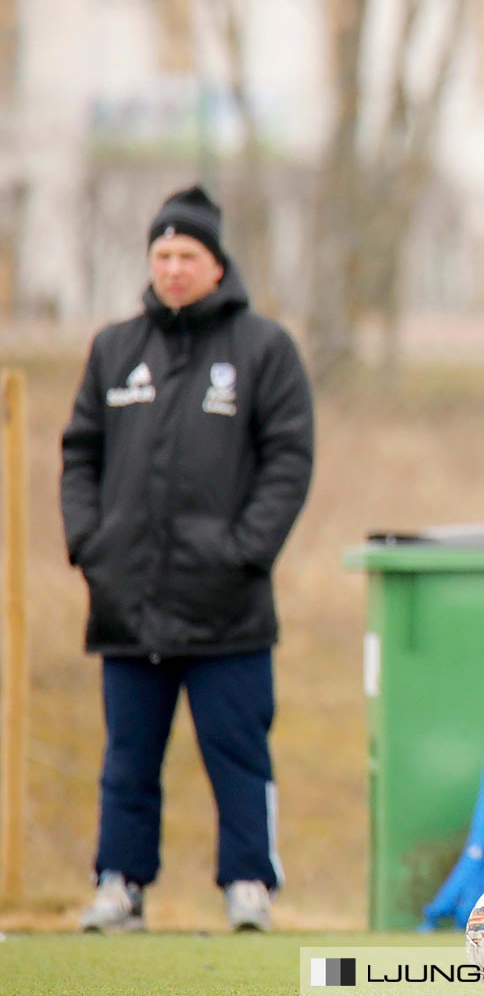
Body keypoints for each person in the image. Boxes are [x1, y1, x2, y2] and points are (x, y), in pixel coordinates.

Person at [61, 186, 314, 933]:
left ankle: (249, 886)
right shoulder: (115, 349)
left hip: (226, 606)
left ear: (215, 263)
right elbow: (80, 453)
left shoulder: (263, 349)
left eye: (187, 256)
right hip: (128, 601)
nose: (172, 269)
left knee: (237, 753)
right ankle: (120, 884)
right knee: (128, 758)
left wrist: (246, 552)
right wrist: (91, 545)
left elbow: (289, 460)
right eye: (162, 255)